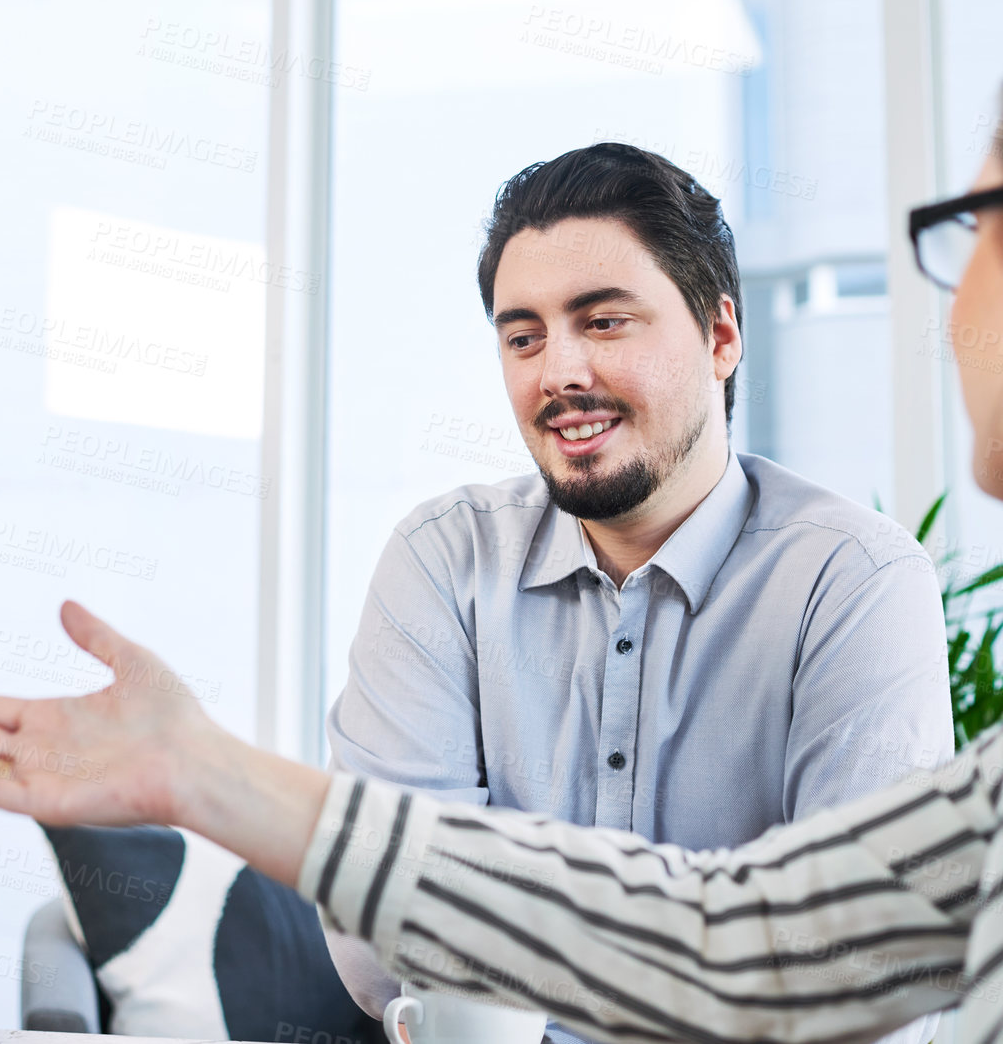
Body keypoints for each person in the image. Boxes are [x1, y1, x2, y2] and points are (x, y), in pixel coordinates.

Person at [0, 0, 1003, 1044]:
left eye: (963, 228)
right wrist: (202, 773)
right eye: (522, 332)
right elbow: (746, 941)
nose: (949, 303)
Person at [321, 143, 950, 1044]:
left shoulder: (853, 584)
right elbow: (386, 926)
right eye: (523, 335)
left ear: (721, 336)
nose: (558, 373)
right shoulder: (442, 562)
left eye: (605, 321)